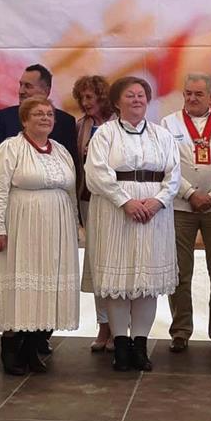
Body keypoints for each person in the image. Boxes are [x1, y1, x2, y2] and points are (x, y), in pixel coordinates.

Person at [85, 76, 181, 372]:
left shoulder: (161, 135)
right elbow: (96, 173)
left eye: (141, 95)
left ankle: (140, 345)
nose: (137, 99)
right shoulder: (105, 134)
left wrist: (159, 201)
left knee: (146, 283)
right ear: (117, 102)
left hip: (154, 213)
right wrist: (124, 201)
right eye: (130, 95)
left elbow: (174, 173)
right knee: (119, 282)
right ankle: (121, 346)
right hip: (116, 211)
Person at [0, 63, 78, 354]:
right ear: (24, 120)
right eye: (38, 114)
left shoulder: (61, 150)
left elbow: (71, 190)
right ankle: (12, 347)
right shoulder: (10, 148)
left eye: (49, 114)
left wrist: (74, 225)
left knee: (47, 282)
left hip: (56, 229)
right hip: (21, 226)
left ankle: (36, 344)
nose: (45, 118)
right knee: (21, 283)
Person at [161, 73, 211, 354]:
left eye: (198, 94)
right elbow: (167, 165)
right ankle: (180, 330)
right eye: (188, 93)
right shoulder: (168, 124)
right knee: (179, 273)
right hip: (181, 207)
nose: (192, 98)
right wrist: (190, 193)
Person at [72, 75, 117, 352]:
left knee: (116, 262)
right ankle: (103, 325)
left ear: (103, 97)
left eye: (90, 97)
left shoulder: (119, 124)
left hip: (116, 202)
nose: (86, 102)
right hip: (88, 200)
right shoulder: (81, 126)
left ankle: (120, 327)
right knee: (95, 263)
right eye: (82, 98)